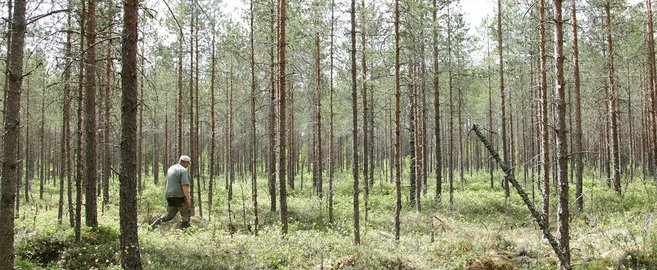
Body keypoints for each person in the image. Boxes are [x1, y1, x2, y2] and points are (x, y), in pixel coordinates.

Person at [150, 155, 192, 229]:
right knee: (186, 214)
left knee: (169, 215)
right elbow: (184, 185)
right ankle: (184, 233)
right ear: (185, 162)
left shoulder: (171, 168)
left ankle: (152, 227)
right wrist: (188, 199)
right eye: (188, 163)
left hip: (169, 196)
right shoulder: (183, 170)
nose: (188, 165)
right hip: (179, 196)